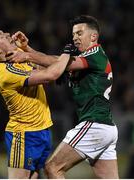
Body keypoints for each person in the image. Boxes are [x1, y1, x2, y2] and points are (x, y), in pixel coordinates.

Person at [7, 15, 119, 179]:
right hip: (106, 128)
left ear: (93, 36)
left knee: (53, 167)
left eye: (80, 33)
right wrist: (28, 49)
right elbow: (57, 61)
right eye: (73, 34)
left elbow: (58, 63)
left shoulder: (94, 54)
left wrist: (27, 55)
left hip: (94, 124)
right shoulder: (85, 57)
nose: (75, 38)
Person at [0, 27, 71, 178]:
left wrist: (26, 48)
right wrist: (69, 53)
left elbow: (49, 63)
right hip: (23, 135)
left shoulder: (17, 56)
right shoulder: (6, 72)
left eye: (5, 32)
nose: (8, 34)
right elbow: (51, 74)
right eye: (1, 36)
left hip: (42, 130)